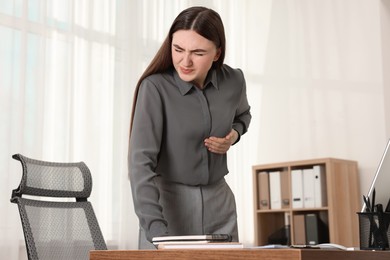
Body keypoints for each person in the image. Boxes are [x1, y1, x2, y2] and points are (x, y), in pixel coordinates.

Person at [128, 6, 251, 249]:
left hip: (220, 202)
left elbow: (244, 115)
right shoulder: (155, 88)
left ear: (217, 54)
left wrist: (233, 136)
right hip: (168, 205)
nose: (185, 61)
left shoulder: (234, 80)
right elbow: (140, 165)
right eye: (178, 49)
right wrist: (154, 228)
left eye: (197, 52)